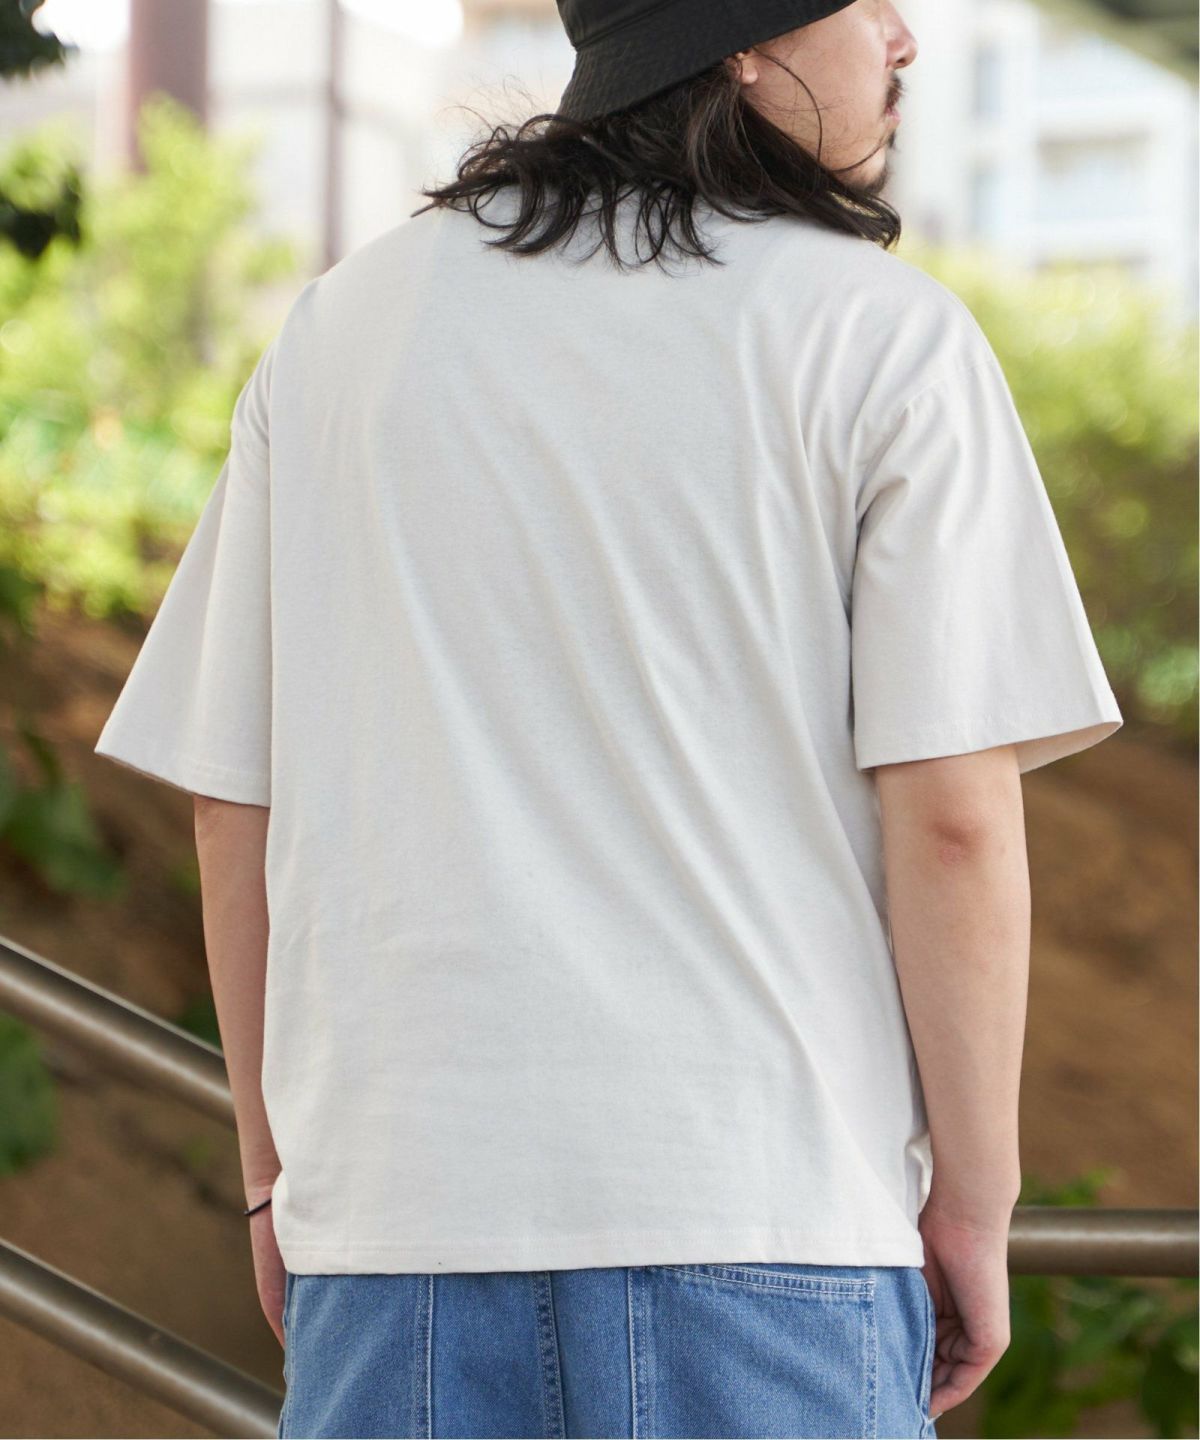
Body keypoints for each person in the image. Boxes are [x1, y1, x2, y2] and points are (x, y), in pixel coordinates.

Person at [92, 0, 1124, 1435]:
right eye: (870, 2)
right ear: (739, 39)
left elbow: (234, 802)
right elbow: (952, 821)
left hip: (396, 1233)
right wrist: (976, 1200)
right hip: (766, 1225)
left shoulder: (344, 329)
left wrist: (277, 1179)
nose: (903, 39)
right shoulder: (883, 338)